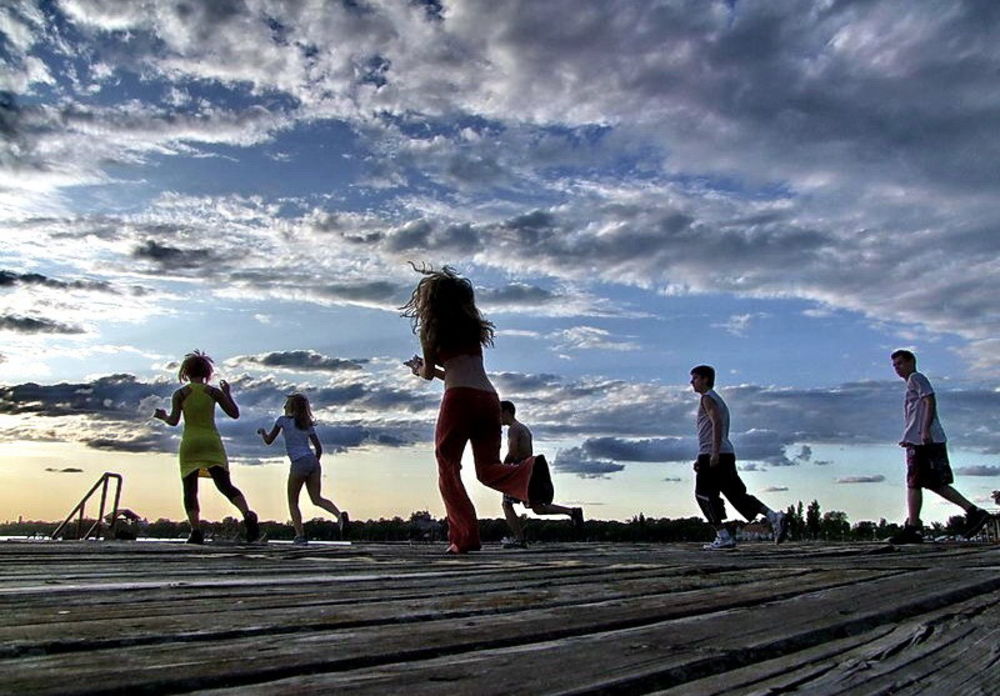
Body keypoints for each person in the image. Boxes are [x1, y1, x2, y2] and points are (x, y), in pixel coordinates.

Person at [402, 265, 553, 554]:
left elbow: (431, 372)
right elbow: (460, 371)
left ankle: (464, 537)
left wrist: (420, 369)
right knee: (487, 469)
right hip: (488, 398)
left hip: (458, 399)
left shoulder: (432, 330)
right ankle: (527, 470)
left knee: (448, 465)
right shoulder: (473, 328)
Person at [154, 351, 259, 544]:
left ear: (185, 372)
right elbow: (234, 414)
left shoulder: (180, 393)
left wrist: (162, 417)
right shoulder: (213, 392)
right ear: (207, 373)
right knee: (225, 486)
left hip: (191, 443)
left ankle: (196, 531)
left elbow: (174, 421)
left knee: (190, 490)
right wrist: (227, 394)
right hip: (211, 441)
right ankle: (247, 515)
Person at [887, 350, 990, 544]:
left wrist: (924, 431)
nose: (897, 368)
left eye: (900, 363)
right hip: (919, 439)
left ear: (911, 362)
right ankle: (973, 511)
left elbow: (929, 400)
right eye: (894, 365)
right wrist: (909, 435)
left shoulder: (916, 378)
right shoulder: (912, 382)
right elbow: (917, 411)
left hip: (924, 440)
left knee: (914, 482)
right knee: (934, 483)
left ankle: (913, 527)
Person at [689, 365, 787, 550]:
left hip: (714, 454)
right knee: (736, 494)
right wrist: (702, 455)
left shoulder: (707, 399)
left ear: (705, 379)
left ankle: (723, 535)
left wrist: (713, 453)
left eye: (694, 378)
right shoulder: (717, 399)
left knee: (703, 495)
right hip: (723, 453)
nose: (691, 382)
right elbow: (709, 430)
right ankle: (774, 516)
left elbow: (716, 422)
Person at [258, 393, 348, 545]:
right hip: (313, 461)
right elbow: (319, 448)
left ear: (291, 407)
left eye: (286, 404)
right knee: (317, 498)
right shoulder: (306, 424)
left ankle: (300, 536)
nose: (284, 406)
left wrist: (262, 432)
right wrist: (313, 465)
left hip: (298, 462)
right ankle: (339, 515)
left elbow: (268, 441)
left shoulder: (282, 421)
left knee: (293, 501)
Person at [499, 400, 583, 548]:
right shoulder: (524, 428)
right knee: (538, 508)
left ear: (506, 412)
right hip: (529, 469)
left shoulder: (513, 429)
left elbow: (513, 452)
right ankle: (571, 512)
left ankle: (519, 539)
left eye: (498, 413)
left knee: (506, 504)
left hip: (519, 470)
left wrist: (502, 468)